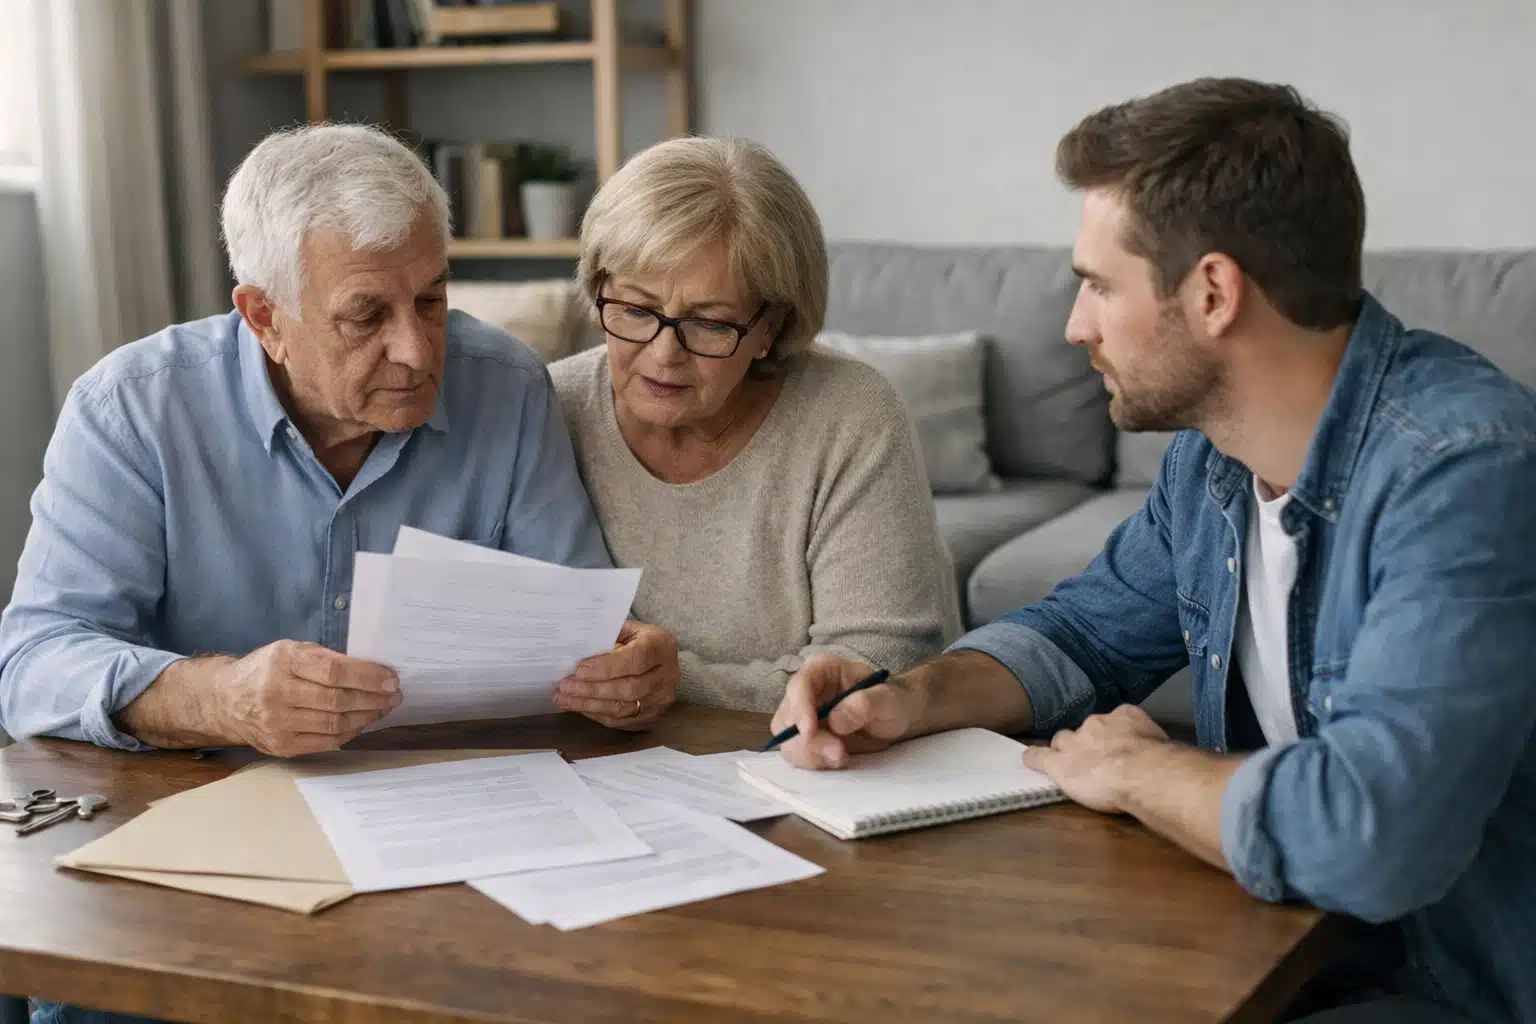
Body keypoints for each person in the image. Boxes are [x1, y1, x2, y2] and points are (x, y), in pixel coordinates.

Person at [771, 79, 1536, 1023]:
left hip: (1456, 982)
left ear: (1214, 292)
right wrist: (907, 697)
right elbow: (1084, 635)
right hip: (1286, 944)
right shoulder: (1211, 467)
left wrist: (1141, 770)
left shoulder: (1463, 473)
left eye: (1098, 284)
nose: (1074, 326)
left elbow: (1371, 836)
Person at [0, 122, 681, 762]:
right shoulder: (132, 411)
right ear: (265, 317)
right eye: (365, 316)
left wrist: (627, 674)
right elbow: (33, 664)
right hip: (206, 801)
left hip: (452, 798)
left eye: (432, 300)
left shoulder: (507, 387)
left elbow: (590, 626)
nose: (417, 352)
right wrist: (219, 699)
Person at [549, 136, 961, 715]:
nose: (665, 354)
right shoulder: (551, 407)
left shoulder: (850, 416)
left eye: (711, 323)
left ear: (772, 326)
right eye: (636, 311)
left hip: (815, 767)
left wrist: (671, 685)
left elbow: (880, 666)